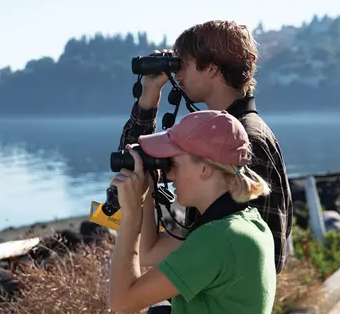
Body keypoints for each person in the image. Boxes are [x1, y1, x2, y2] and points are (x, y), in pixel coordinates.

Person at [118, 20, 293, 275]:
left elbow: (266, 250)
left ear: (211, 69)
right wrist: (149, 95)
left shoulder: (245, 139)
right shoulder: (219, 133)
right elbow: (133, 160)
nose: (177, 76)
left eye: (183, 65)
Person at [108, 110, 277, 314]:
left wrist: (131, 213)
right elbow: (148, 253)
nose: (169, 175)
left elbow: (122, 303)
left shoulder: (218, 239)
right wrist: (146, 196)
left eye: (175, 164)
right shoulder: (246, 224)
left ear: (205, 169)